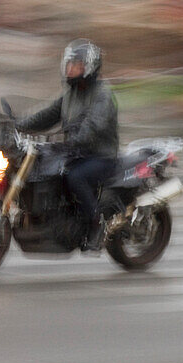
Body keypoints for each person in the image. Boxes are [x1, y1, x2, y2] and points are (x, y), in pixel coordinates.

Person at [16, 39, 119, 251]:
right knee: (43, 169)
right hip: (75, 152)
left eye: (77, 65)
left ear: (89, 67)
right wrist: (18, 125)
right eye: (69, 64)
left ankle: (96, 223)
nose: (70, 69)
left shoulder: (102, 94)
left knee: (75, 177)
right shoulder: (70, 94)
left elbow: (94, 125)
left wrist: (74, 140)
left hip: (100, 156)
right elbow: (47, 115)